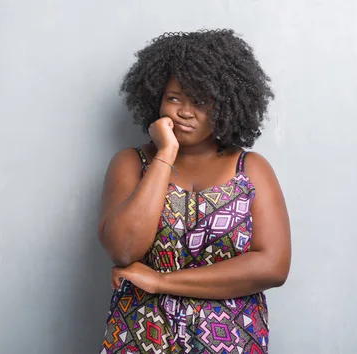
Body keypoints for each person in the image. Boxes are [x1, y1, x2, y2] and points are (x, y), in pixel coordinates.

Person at [98, 29, 291, 354]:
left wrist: (161, 282)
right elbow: (124, 250)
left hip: (230, 339)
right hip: (140, 336)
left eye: (200, 101)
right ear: (156, 97)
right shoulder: (130, 163)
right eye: (174, 98)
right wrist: (166, 153)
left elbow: (272, 266)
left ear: (226, 103)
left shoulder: (251, 169)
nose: (185, 111)